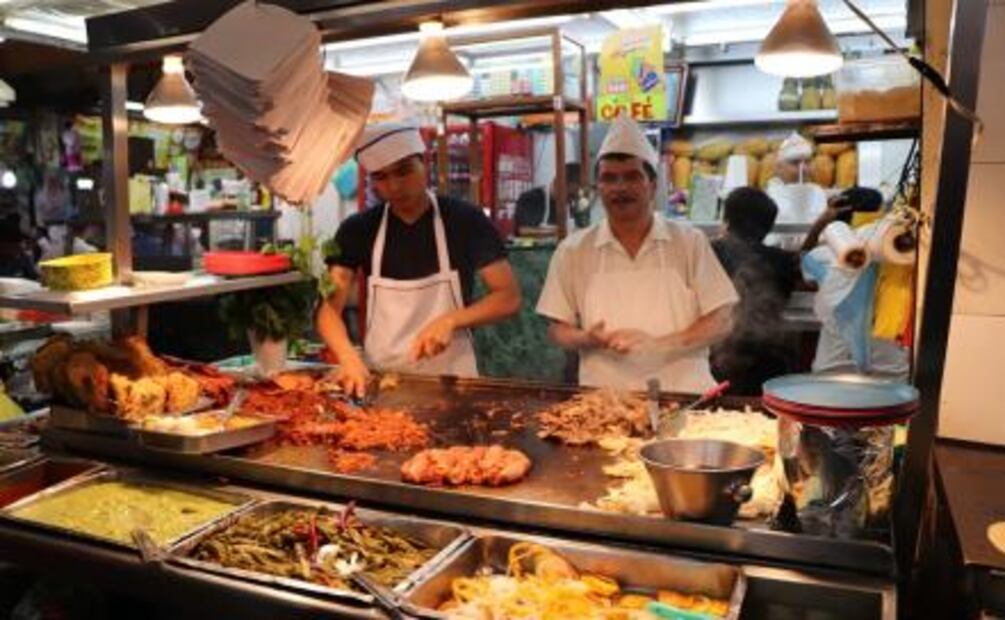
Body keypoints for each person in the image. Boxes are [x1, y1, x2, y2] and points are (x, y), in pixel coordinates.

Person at [536, 115, 739, 392]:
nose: (620, 187)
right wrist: (588, 338)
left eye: (632, 176)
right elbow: (557, 328)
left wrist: (660, 345)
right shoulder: (573, 250)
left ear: (652, 185)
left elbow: (722, 319)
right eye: (609, 178)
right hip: (604, 402)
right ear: (598, 189)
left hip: (685, 398)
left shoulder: (689, 242)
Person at [317, 123, 522, 397]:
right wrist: (347, 355)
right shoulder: (358, 229)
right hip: (385, 382)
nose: (394, 186)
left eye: (404, 171)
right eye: (381, 177)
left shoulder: (465, 220)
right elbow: (329, 309)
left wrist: (451, 320)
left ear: (425, 163)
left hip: (454, 383)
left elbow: (508, 297)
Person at [801, 187, 910, 380]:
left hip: (834, 369)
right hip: (890, 371)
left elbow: (801, 260)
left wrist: (822, 222)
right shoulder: (899, 253)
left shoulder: (827, 256)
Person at [711, 187, 802, 395]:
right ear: (768, 227)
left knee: (717, 420)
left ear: (727, 220)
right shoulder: (783, 259)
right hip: (773, 357)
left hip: (723, 357)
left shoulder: (709, 252)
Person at [765, 132, 828, 248]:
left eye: (807, 162)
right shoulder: (768, 198)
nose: (803, 168)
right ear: (779, 168)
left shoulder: (818, 192)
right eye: (795, 163)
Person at [514, 163, 581, 235]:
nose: (571, 201)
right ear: (558, 183)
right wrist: (558, 231)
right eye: (570, 195)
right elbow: (524, 230)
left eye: (575, 197)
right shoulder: (531, 199)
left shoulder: (571, 206)